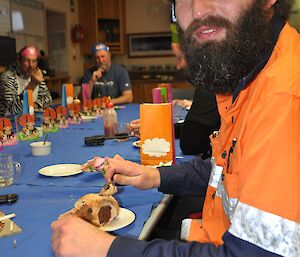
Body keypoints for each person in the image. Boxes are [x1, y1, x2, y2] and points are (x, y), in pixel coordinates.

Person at [51, 1, 300, 257]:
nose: (198, 11)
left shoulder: (285, 97)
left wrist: (106, 249)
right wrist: (156, 176)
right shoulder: (248, 71)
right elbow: (229, 168)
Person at [0, 45, 52, 117]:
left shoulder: (36, 74)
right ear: (19, 61)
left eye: (34, 61)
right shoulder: (7, 77)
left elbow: (48, 100)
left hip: (30, 121)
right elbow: (13, 110)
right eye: (27, 61)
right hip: (8, 124)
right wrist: (32, 85)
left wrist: (33, 105)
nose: (31, 65)